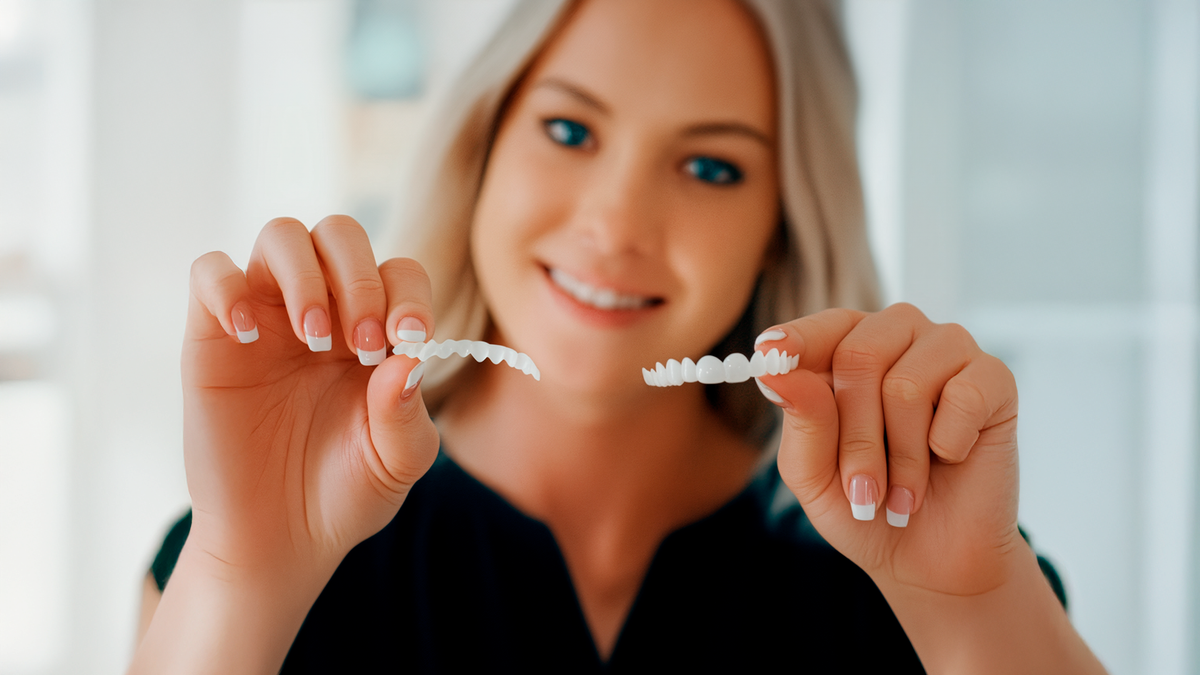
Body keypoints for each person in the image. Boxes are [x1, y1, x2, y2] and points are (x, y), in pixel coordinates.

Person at [130, 0, 1107, 672]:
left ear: (783, 221)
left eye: (711, 168)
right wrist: (239, 575)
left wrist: (976, 607)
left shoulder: (919, 561)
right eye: (569, 131)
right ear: (483, 148)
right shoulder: (261, 549)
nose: (616, 223)